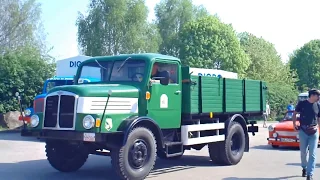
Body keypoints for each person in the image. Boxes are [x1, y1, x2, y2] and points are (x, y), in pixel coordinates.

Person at [293, 89, 320, 180]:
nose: (319, 97)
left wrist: (319, 129)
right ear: (312, 95)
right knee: (303, 152)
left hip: (314, 131)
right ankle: (304, 167)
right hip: (303, 131)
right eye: (318, 95)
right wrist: (294, 124)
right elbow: (295, 113)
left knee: (313, 154)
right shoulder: (302, 104)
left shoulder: (318, 105)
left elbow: (319, 118)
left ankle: (310, 174)